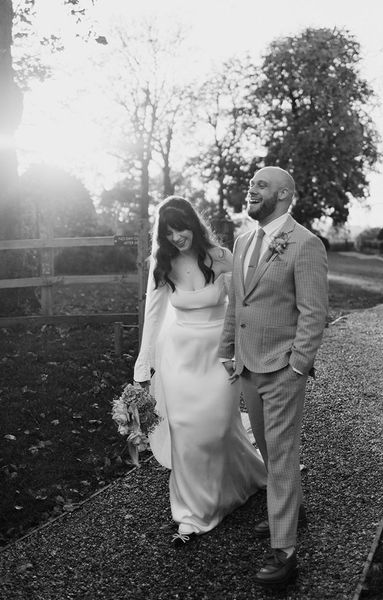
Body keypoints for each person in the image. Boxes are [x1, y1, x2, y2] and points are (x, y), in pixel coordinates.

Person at [133, 195, 266, 546]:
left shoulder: (220, 257)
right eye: (170, 231)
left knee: (219, 426)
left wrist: (250, 347)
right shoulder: (161, 263)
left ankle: (244, 479)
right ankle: (191, 512)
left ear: (194, 223)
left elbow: (247, 304)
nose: (178, 237)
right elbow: (154, 314)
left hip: (220, 353)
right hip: (179, 356)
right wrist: (143, 366)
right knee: (185, 428)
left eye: (182, 228)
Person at [219, 167, 328, 586]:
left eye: (261, 185)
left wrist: (297, 366)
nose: (251, 188)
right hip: (247, 366)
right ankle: (293, 508)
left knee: (281, 456)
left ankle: (285, 554)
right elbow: (236, 305)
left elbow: (314, 312)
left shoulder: (305, 244)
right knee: (267, 448)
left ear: (284, 195)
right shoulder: (243, 240)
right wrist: (227, 352)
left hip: (283, 368)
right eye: (251, 184)